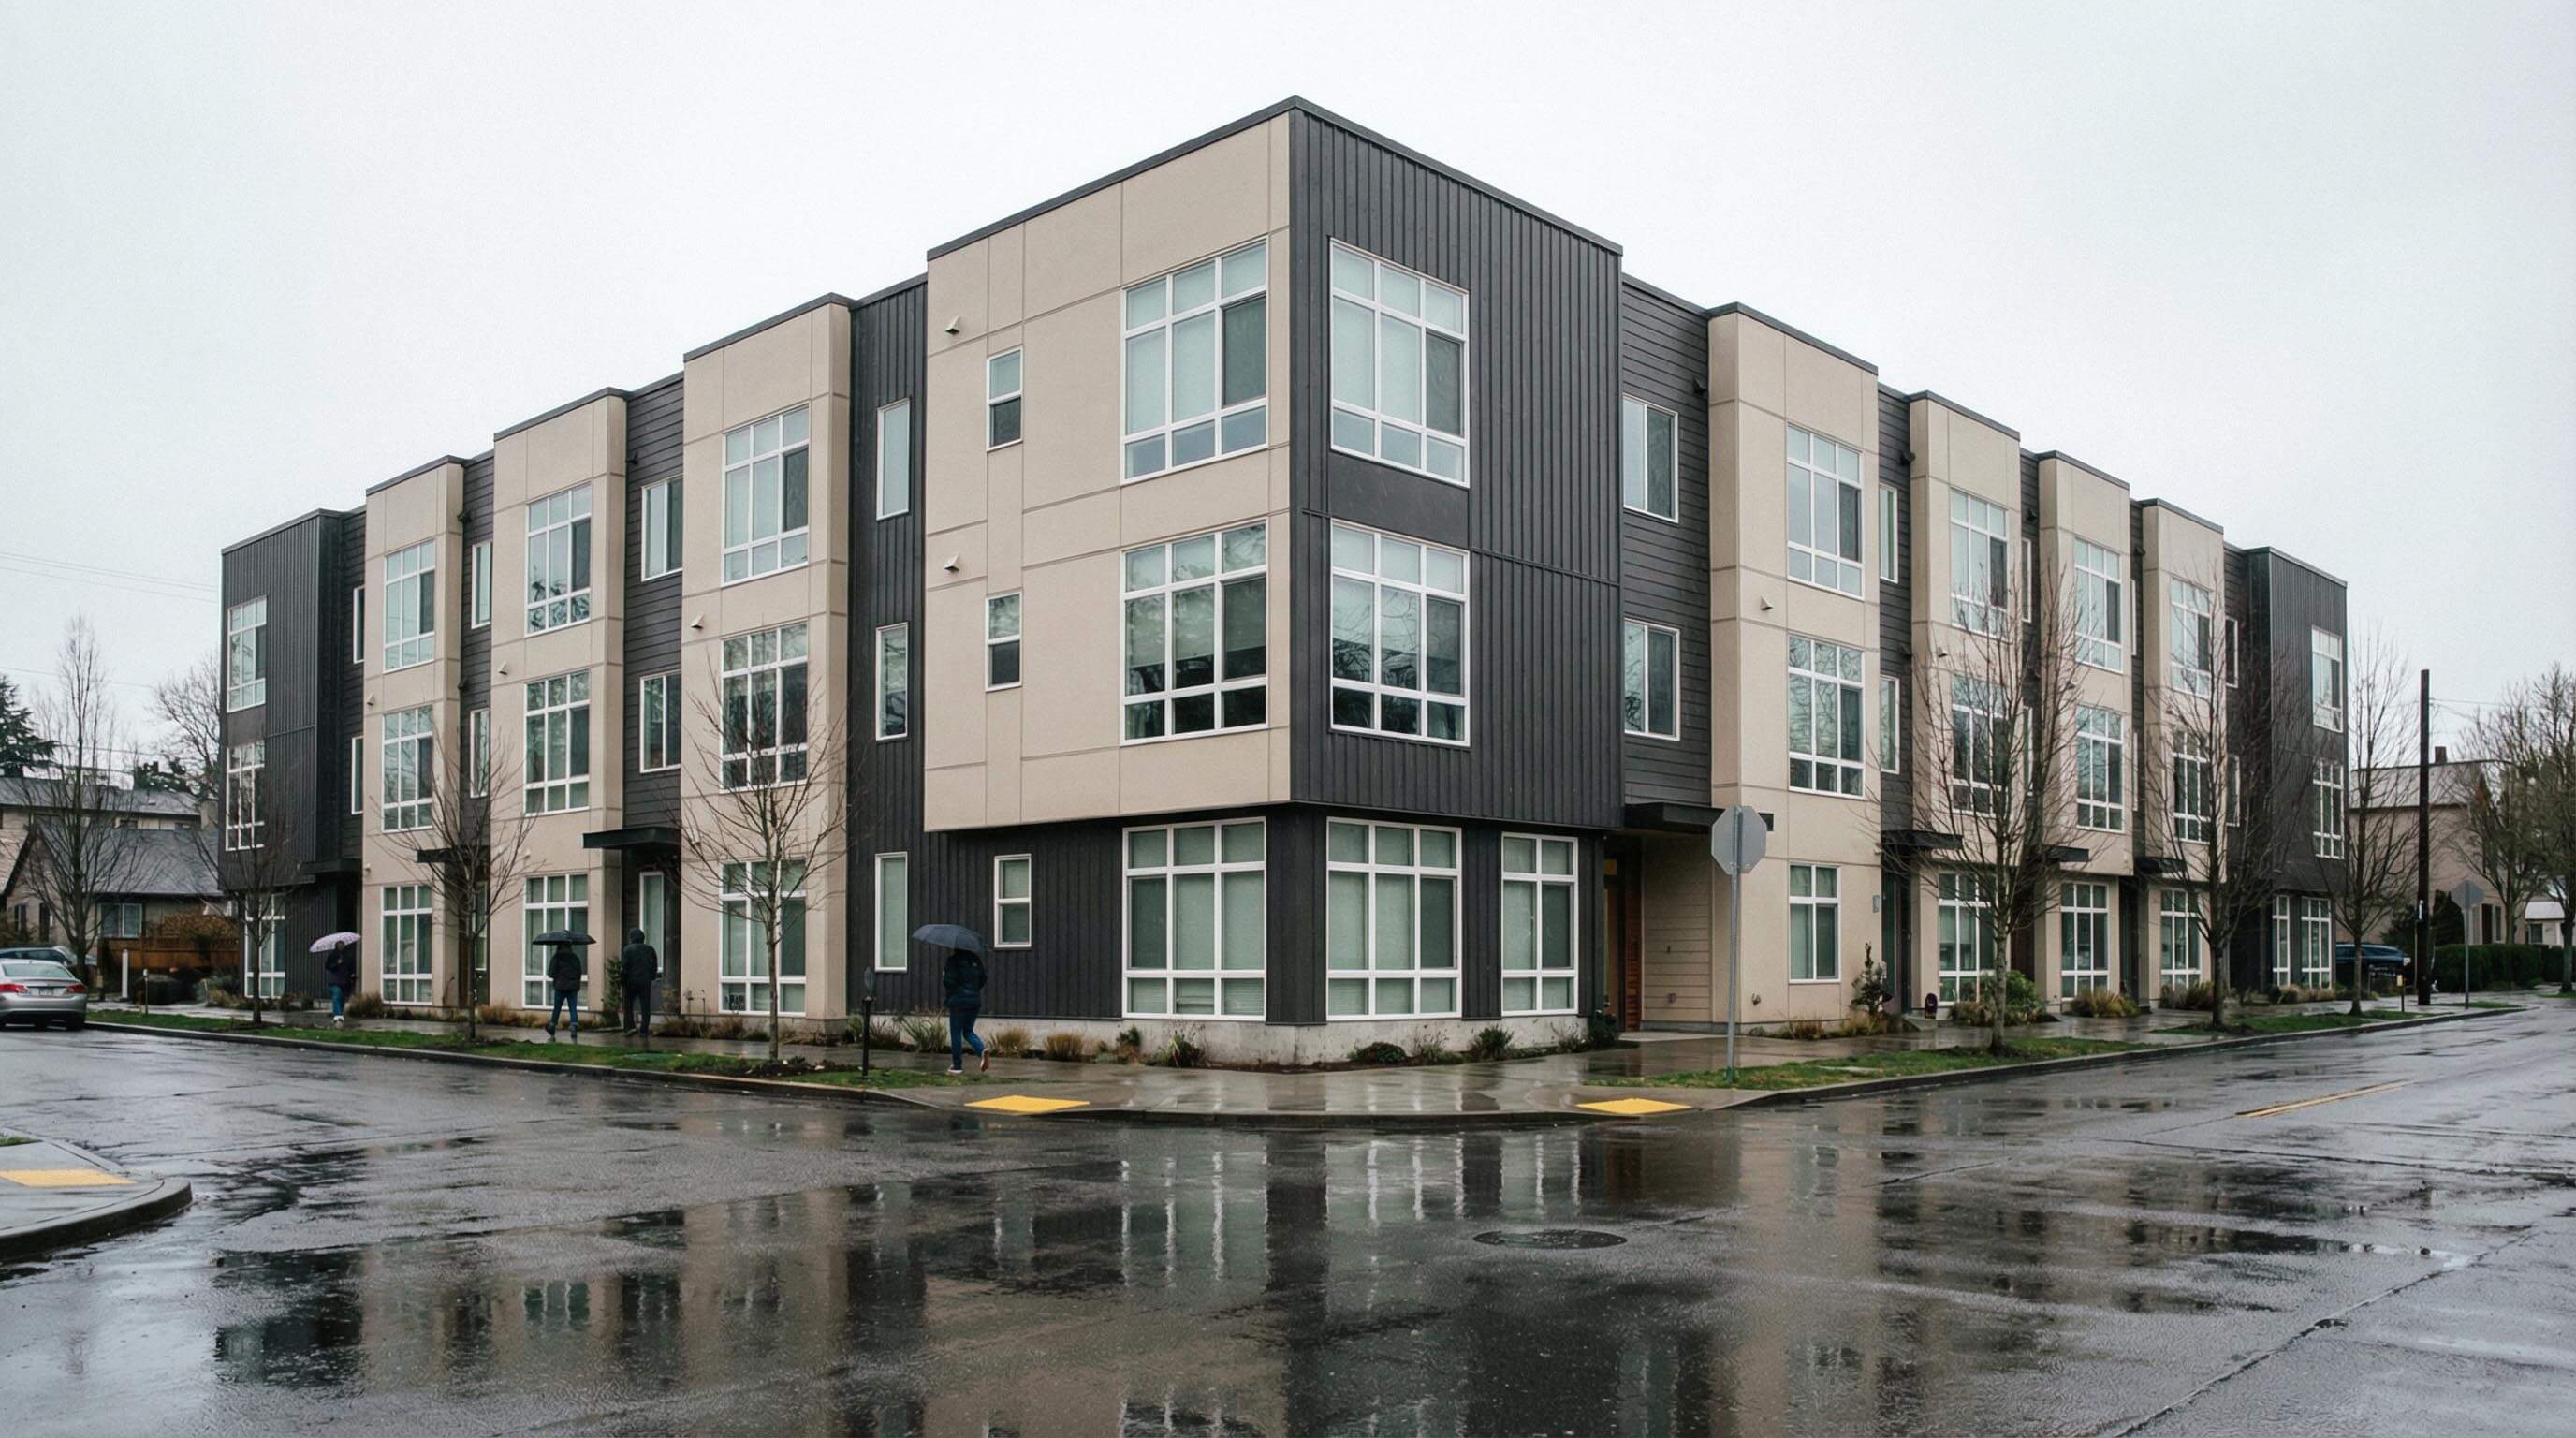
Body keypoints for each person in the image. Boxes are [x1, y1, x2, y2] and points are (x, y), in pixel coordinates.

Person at [942, 946, 988, 1075]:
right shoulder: (975, 960)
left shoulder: (953, 961)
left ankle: (957, 1066)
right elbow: (983, 977)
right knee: (967, 1031)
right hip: (974, 1001)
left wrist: (945, 975)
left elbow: (948, 982)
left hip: (958, 1002)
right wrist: (973, 990)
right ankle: (982, 1050)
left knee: (956, 1033)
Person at [618, 928, 657, 1035]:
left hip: (631, 981)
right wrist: (652, 976)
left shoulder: (628, 949)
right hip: (645, 981)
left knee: (628, 1005)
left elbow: (625, 967)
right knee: (645, 1005)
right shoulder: (650, 949)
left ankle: (629, 1027)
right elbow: (654, 965)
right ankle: (644, 1030)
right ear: (642, 938)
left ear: (631, 938)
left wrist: (622, 980)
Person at [544, 943, 585, 1041]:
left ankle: (552, 1026)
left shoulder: (557, 957)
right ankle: (574, 1026)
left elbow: (551, 973)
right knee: (573, 1007)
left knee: (557, 1008)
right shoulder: (575, 957)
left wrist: (558, 976)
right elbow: (579, 972)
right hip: (573, 987)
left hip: (560, 986)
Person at [322, 943, 358, 1028]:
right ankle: (338, 1017)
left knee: (341, 1000)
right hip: (334, 981)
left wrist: (352, 974)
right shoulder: (332, 955)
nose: (341, 947)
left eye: (342, 945)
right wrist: (337, 963)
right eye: (339, 945)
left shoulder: (347, 956)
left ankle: (339, 1015)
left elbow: (350, 968)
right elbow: (327, 966)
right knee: (336, 996)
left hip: (344, 982)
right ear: (337, 946)